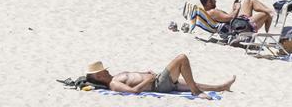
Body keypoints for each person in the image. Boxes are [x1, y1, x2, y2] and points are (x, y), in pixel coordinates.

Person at [83, 56, 233, 100]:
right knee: (182, 59)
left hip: (158, 80)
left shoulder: (115, 77)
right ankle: (195, 92)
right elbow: (133, 91)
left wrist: (145, 73)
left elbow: (134, 78)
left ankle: (221, 87)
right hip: (158, 84)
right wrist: (149, 79)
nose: (106, 71)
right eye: (103, 71)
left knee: (192, 82)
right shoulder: (114, 84)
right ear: (99, 76)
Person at [199, 0, 274, 33]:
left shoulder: (210, 13)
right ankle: (269, 34)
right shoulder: (212, 12)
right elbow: (230, 18)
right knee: (265, 14)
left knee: (249, 0)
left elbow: (226, 19)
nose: (215, 1)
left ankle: (271, 12)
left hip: (238, 22)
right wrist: (237, 8)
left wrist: (233, 9)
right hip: (241, 27)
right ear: (208, 2)